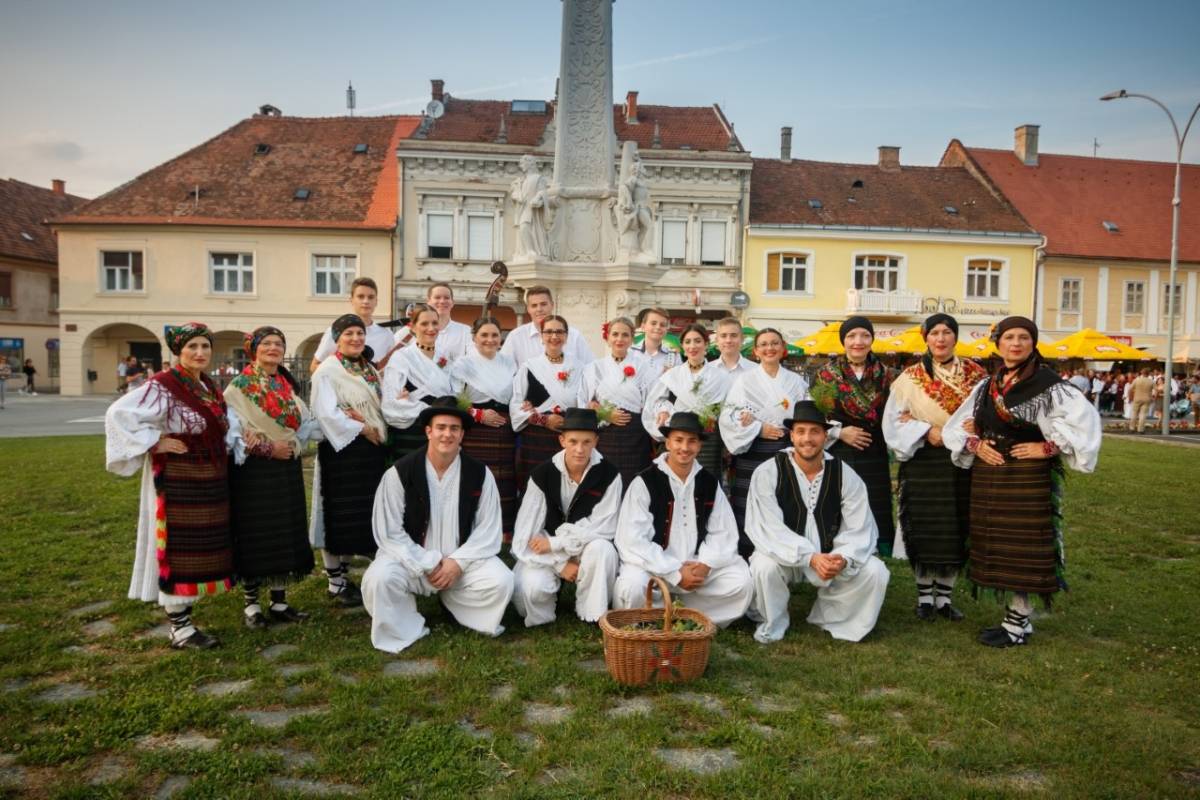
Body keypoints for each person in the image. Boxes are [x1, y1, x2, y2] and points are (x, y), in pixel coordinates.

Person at [943, 316, 1101, 648]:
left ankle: (1016, 624)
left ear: (1033, 343)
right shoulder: (987, 386)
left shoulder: (1049, 385)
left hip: (1027, 478)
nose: (1016, 344)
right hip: (989, 476)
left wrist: (1047, 447)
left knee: (1025, 546)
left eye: (1024, 338)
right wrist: (976, 445)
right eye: (1009, 337)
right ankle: (1018, 619)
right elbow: (957, 426)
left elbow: (1085, 425)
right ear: (998, 343)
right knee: (998, 545)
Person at [104, 322, 233, 649]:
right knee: (177, 544)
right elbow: (118, 413)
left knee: (199, 545)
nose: (200, 353)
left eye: (205, 346)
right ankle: (180, 628)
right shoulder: (163, 385)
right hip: (177, 477)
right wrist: (154, 441)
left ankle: (184, 617)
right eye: (192, 347)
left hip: (206, 475)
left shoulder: (206, 385)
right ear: (178, 351)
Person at [361, 397, 514, 653]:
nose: (447, 434)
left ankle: (455, 602)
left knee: (501, 580)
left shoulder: (479, 473)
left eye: (454, 428)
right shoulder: (400, 473)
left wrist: (457, 563)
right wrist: (427, 561)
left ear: (462, 434)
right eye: (441, 427)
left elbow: (487, 528)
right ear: (428, 431)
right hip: (412, 562)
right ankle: (403, 626)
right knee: (379, 579)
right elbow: (389, 531)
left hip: (459, 564)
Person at [746, 401, 890, 643]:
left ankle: (830, 616)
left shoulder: (845, 474)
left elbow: (859, 526)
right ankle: (773, 621)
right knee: (763, 567)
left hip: (830, 557)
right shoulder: (768, 472)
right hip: (784, 554)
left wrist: (843, 558)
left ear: (825, 436)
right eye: (801, 431)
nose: (807, 439)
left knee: (875, 571)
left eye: (815, 431)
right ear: (792, 436)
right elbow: (767, 526)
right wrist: (809, 557)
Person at [882, 314, 986, 621]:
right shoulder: (909, 378)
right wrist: (926, 430)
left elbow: (984, 416)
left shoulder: (977, 376)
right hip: (923, 460)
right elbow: (894, 421)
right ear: (925, 338)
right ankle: (925, 597)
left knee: (955, 526)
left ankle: (945, 598)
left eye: (947, 332)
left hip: (962, 461)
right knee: (925, 525)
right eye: (934, 333)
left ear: (955, 337)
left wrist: (964, 430)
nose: (940, 338)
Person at [614, 412, 753, 627]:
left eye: (692, 441)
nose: (685, 448)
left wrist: (705, 564)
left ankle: (677, 613)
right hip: (655, 566)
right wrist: (674, 572)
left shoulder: (708, 482)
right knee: (631, 587)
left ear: (699, 446)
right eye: (678, 440)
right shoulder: (644, 482)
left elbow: (723, 531)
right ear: (668, 442)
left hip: (695, 566)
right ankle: (669, 613)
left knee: (740, 583)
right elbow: (632, 540)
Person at [224, 327, 319, 629]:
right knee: (256, 532)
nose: (273, 348)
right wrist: (267, 448)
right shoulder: (239, 387)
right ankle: (251, 605)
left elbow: (302, 422)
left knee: (284, 531)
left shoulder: (285, 384)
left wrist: (290, 445)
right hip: (254, 471)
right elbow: (232, 431)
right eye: (266, 343)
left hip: (286, 465)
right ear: (253, 349)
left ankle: (279, 602)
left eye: (279, 343)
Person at [511, 408, 622, 626]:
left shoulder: (610, 475)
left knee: (603, 549)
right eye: (573, 441)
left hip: (585, 546)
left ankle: (592, 613)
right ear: (562, 440)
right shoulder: (541, 475)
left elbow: (605, 526)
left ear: (596, 441)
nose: (579, 449)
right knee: (529, 594)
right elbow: (524, 536)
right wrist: (560, 564)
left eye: (586, 442)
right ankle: (545, 608)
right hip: (545, 550)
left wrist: (558, 542)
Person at [310, 314, 388, 607]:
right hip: (341, 451)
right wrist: (364, 428)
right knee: (336, 513)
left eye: (360, 333)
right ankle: (335, 582)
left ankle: (346, 575)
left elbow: (378, 403)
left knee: (359, 512)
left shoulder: (368, 368)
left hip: (369, 451)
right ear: (337, 339)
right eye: (349, 334)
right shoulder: (327, 370)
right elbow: (326, 414)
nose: (356, 338)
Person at [810, 317, 896, 556]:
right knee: (840, 499)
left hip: (874, 449)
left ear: (872, 339)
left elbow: (896, 413)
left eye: (865, 336)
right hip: (839, 448)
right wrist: (840, 432)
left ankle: (877, 549)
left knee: (874, 499)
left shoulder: (888, 375)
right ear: (843, 341)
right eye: (851, 336)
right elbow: (816, 415)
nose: (858, 342)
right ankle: (837, 548)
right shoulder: (825, 375)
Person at [720, 328, 810, 555]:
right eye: (764, 344)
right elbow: (729, 416)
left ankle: (785, 553)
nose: (770, 348)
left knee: (784, 501)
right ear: (756, 351)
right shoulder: (744, 381)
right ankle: (747, 552)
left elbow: (807, 413)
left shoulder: (796, 381)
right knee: (750, 501)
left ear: (783, 348)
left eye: (775, 343)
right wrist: (759, 428)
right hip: (754, 449)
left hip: (787, 449)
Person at [450, 317, 519, 539]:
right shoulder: (463, 364)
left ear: (501, 338)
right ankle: (473, 531)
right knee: (476, 478)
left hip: (505, 428)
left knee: (504, 481)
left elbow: (517, 394)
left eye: (495, 335)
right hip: (476, 429)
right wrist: (479, 415)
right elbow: (455, 398)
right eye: (484, 335)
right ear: (474, 338)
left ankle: (504, 532)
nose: (490, 340)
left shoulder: (509, 363)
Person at [644, 323, 734, 480]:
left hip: (708, 438)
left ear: (706, 344)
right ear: (683, 347)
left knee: (705, 481)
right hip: (678, 436)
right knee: (672, 481)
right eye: (688, 342)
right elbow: (656, 401)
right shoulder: (672, 375)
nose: (692, 346)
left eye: (697, 341)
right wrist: (663, 410)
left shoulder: (721, 376)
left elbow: (730, 407)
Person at [511, 315, 585, 492]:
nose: (554, 336)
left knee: (566, 488)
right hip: (536, 438)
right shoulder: (529, 367)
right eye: (549, 332)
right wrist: (543, 420)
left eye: (559, 332)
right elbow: (516, 406)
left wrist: (569, 423)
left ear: (566, 336)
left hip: (569, 436)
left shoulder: (579, 368)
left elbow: (584, 401)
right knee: (536, 488)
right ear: (542, 336)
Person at [579, 316, 655, 487]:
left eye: (625, 335)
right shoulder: (594, 368)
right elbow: (583, 401)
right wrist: (603, 413)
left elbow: (652, 402)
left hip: (635, 435)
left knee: (634, 483)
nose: (619, 339)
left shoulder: (643, 367)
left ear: (632, 339)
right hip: (605, 435)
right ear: (607, 338)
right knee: (606, 481)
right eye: (615, 334)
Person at [382, 304, 456, 463]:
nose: (431, 328)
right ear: (413, 327)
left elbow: (454, 394)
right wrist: (428, 409)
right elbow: (391, 403)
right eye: (424, 323)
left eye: (435, 323)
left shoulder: (445, 358)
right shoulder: (401, 358)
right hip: (413, 433)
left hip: (443, 434)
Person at [309, 277, 397, 372]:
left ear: (376, 301)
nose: (366, 301)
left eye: (371, 297)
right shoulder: (336, 330)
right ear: (351, 300)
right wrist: (344, 375)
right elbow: (314, 366)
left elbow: (392, 368)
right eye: (360, 297)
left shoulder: (386, 334)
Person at [500, 286, 594, 367]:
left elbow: (590, 368)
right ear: (528, 309)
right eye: (534, 305)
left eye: (543, 304)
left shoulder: (574, 336)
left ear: (552, 305)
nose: (539, 309)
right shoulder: (516, 337)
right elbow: (504, 370)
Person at [632, 307, 680, 376]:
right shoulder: (630, 352)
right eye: (653, 323)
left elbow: (680, 381)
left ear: (666, 329)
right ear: (643, 326)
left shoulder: (674, 356)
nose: (658, 327)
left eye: (662, 325)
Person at [1128, 369, 1154, 433]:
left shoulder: (1136, 380)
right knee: (1143, 414)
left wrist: (1130, 397)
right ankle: (1140, 429)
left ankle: (1132, 428)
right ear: (1148, 374)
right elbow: (1156, 390)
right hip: (1147, 399)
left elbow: (1130, 389)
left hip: (1137, 398)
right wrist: (1153, 398)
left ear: (1142, 373)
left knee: (1134, 413)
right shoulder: (1151, 381)